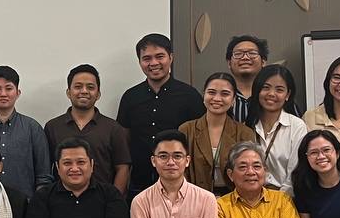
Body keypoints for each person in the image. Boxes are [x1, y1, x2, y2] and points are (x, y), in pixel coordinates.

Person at [117, 33, 204, 197]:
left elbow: (198, 141)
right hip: (139, 182)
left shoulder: (190, 96)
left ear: (171, 57)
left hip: (180, 182)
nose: (154, 63)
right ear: (140, 62)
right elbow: (124, 141)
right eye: (147, 58)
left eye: (160, 56)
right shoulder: (130, 97)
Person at [43, 65, 131, 195]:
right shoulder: (52, 127)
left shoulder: (113, 128)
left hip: (102, 203)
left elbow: (123, 168)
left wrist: (114, 201)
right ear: (68, 92)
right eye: (78, 86)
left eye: (90, 87)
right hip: (61, 203)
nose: (84, 91)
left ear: (98, 94)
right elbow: (46, 169)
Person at [0, 65, 52, 199]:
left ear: (18, 92)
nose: (3, 94)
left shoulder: (33, 128)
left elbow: (44, 176)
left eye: (9, 88)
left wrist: (38, 206)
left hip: (25, 206)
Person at [178, 72, 256, 196]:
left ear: (233, 100)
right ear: (204, 95)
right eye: (211, 92)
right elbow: (180, 170)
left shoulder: (245, 133)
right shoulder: (187, 130)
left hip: (234, 200)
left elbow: (249, 172)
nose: (217, 98)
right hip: (195, 197)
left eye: (225, 94)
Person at [248, 64, 308, 193]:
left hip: (286, 200)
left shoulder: (297, 126)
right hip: (249, 199)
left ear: (288, 95)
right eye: (265, 88)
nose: (271, 94)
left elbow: (295, 172)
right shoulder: (247, 126)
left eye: (279, 90)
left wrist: (278, 201)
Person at [225, 35, 269, 126]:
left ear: (263, 62)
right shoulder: (218, 97)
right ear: (229, 63)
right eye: (238, 54)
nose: (245, 57)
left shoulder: (276, 96)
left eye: (252, 53)